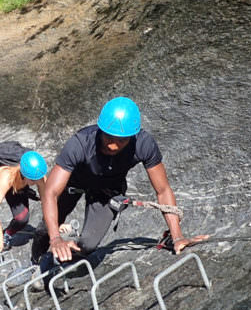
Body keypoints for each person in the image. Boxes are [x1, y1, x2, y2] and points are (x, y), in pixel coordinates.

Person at [33, 96, 208, 272]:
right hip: (74, 184)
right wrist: (55, 238)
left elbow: (162, 190)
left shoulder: (143, 144)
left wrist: (177, 236)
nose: (114, 146)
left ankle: (55, 260)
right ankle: (36, 263)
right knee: (44, 232)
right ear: (101, 130)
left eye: (121, 140)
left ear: (132, 136)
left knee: (88, 246)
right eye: (109, 138)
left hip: (107, 191)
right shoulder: (80, 143)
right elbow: (50, 193)